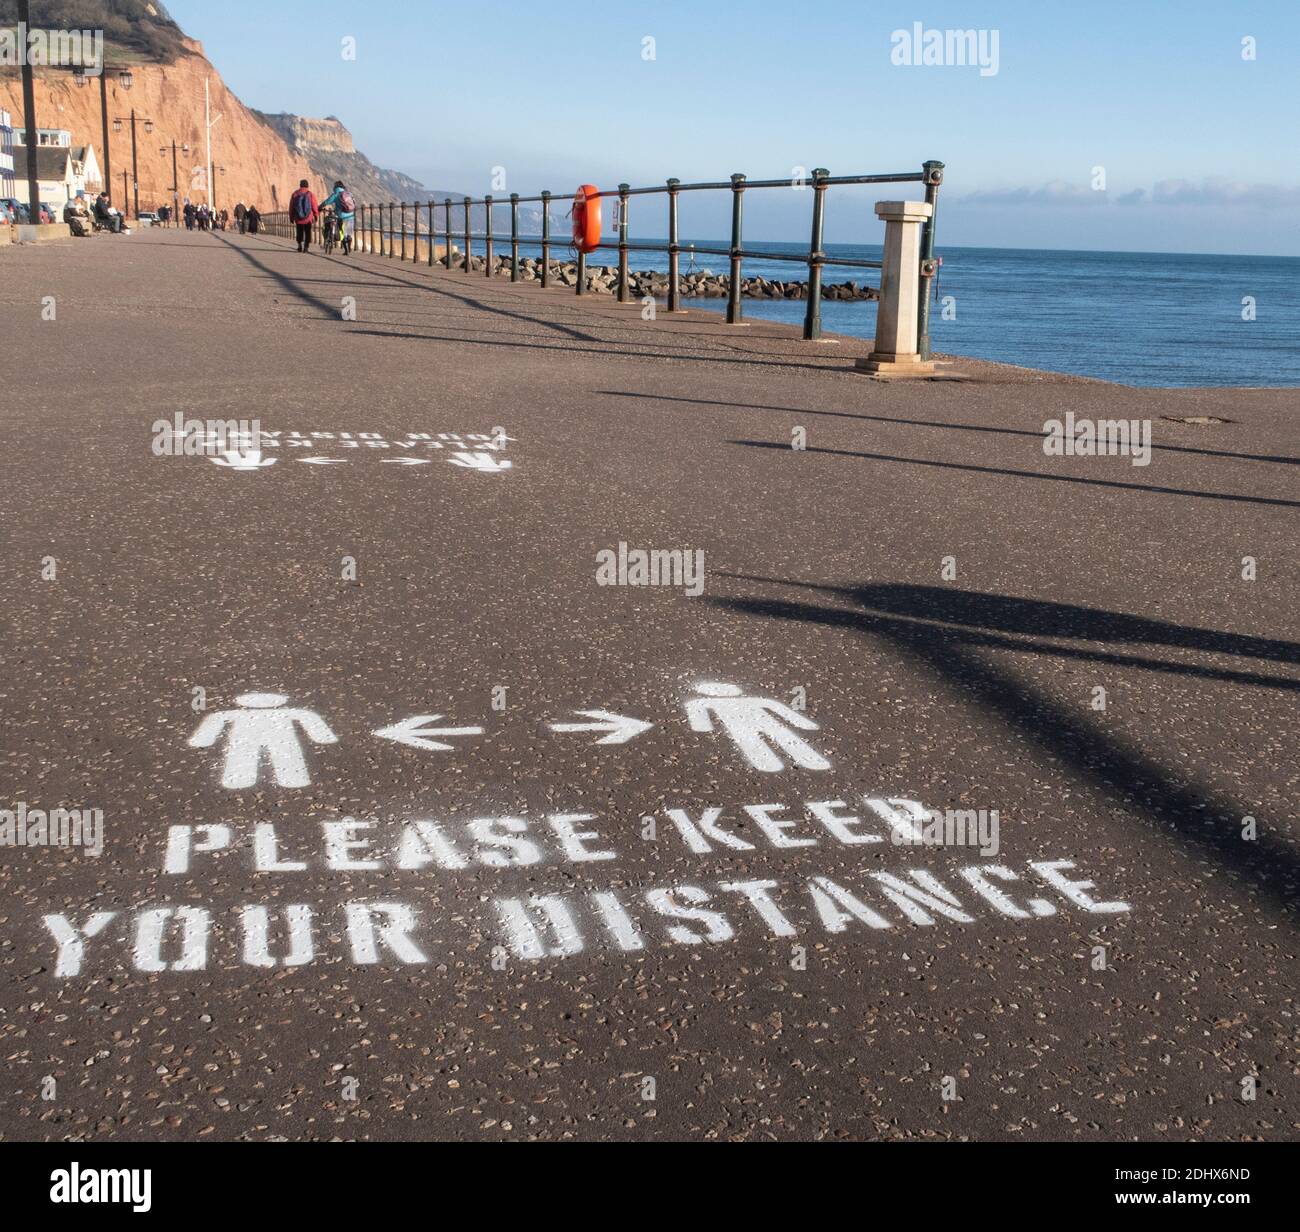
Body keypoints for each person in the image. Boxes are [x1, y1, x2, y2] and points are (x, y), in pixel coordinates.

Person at [317, 180, 356, 255]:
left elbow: (327, 202)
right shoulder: (349, 193)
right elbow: (353, 203)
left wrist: (320, 207)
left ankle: (346, 250)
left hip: (341, 216)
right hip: (351, 215)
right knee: (349, 233)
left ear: (335, 187)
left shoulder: (336, 194)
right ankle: (349, 245)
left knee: (342, 233)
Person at [289, 179, 318, 252]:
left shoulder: (295, 194)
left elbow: (291, 207)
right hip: (308, 218)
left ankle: (299, 246)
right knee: (308, 232)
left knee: (299, 231)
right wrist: (316, 215)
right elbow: (314, 206)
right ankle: (306, 247)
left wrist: (291, 217)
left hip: (298, 218)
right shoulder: (310, 194)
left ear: (300, 185)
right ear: (307, 185)